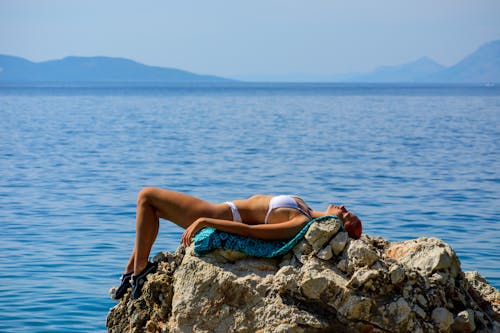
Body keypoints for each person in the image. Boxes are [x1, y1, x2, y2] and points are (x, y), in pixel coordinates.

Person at [114, 187, 363, 300]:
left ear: (340, 225)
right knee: (150, 206)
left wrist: (204, 221)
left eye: (346, 214)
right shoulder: (306, 210)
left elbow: (251, 232)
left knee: (147, 197)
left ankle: (137, 272)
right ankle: (132, 272)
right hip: (223, 209)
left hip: (217, 214)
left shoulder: (299, 222)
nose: (342, 207)